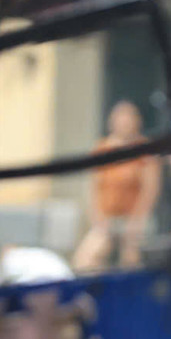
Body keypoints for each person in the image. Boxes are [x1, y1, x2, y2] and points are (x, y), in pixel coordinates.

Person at [72, 100, 160, 271]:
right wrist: (98, 218)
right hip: (107, 219)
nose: (124, 122)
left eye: (129, 117)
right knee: (85, 259)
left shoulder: (144, 150)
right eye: (121, 117)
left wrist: (136, 221)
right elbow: (93, 187)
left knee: (131, 260)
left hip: (134, 220)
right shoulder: (102, 149)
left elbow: (151, 189)